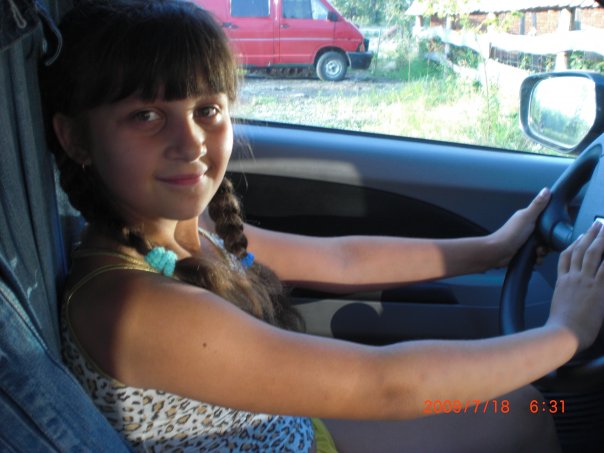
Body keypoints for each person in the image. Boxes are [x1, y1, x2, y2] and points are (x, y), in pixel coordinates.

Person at [39, 1, 604, 451]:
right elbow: (385, 385)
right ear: (74, 137)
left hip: (288, 426)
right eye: (145, 116)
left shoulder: (189, 229)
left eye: (206, 110)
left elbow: (342, 260)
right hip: (295, 440)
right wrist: (565, 334)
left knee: (520, 409)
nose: (190, 144)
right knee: (527, 415)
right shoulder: (133, 306)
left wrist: (491, 248)